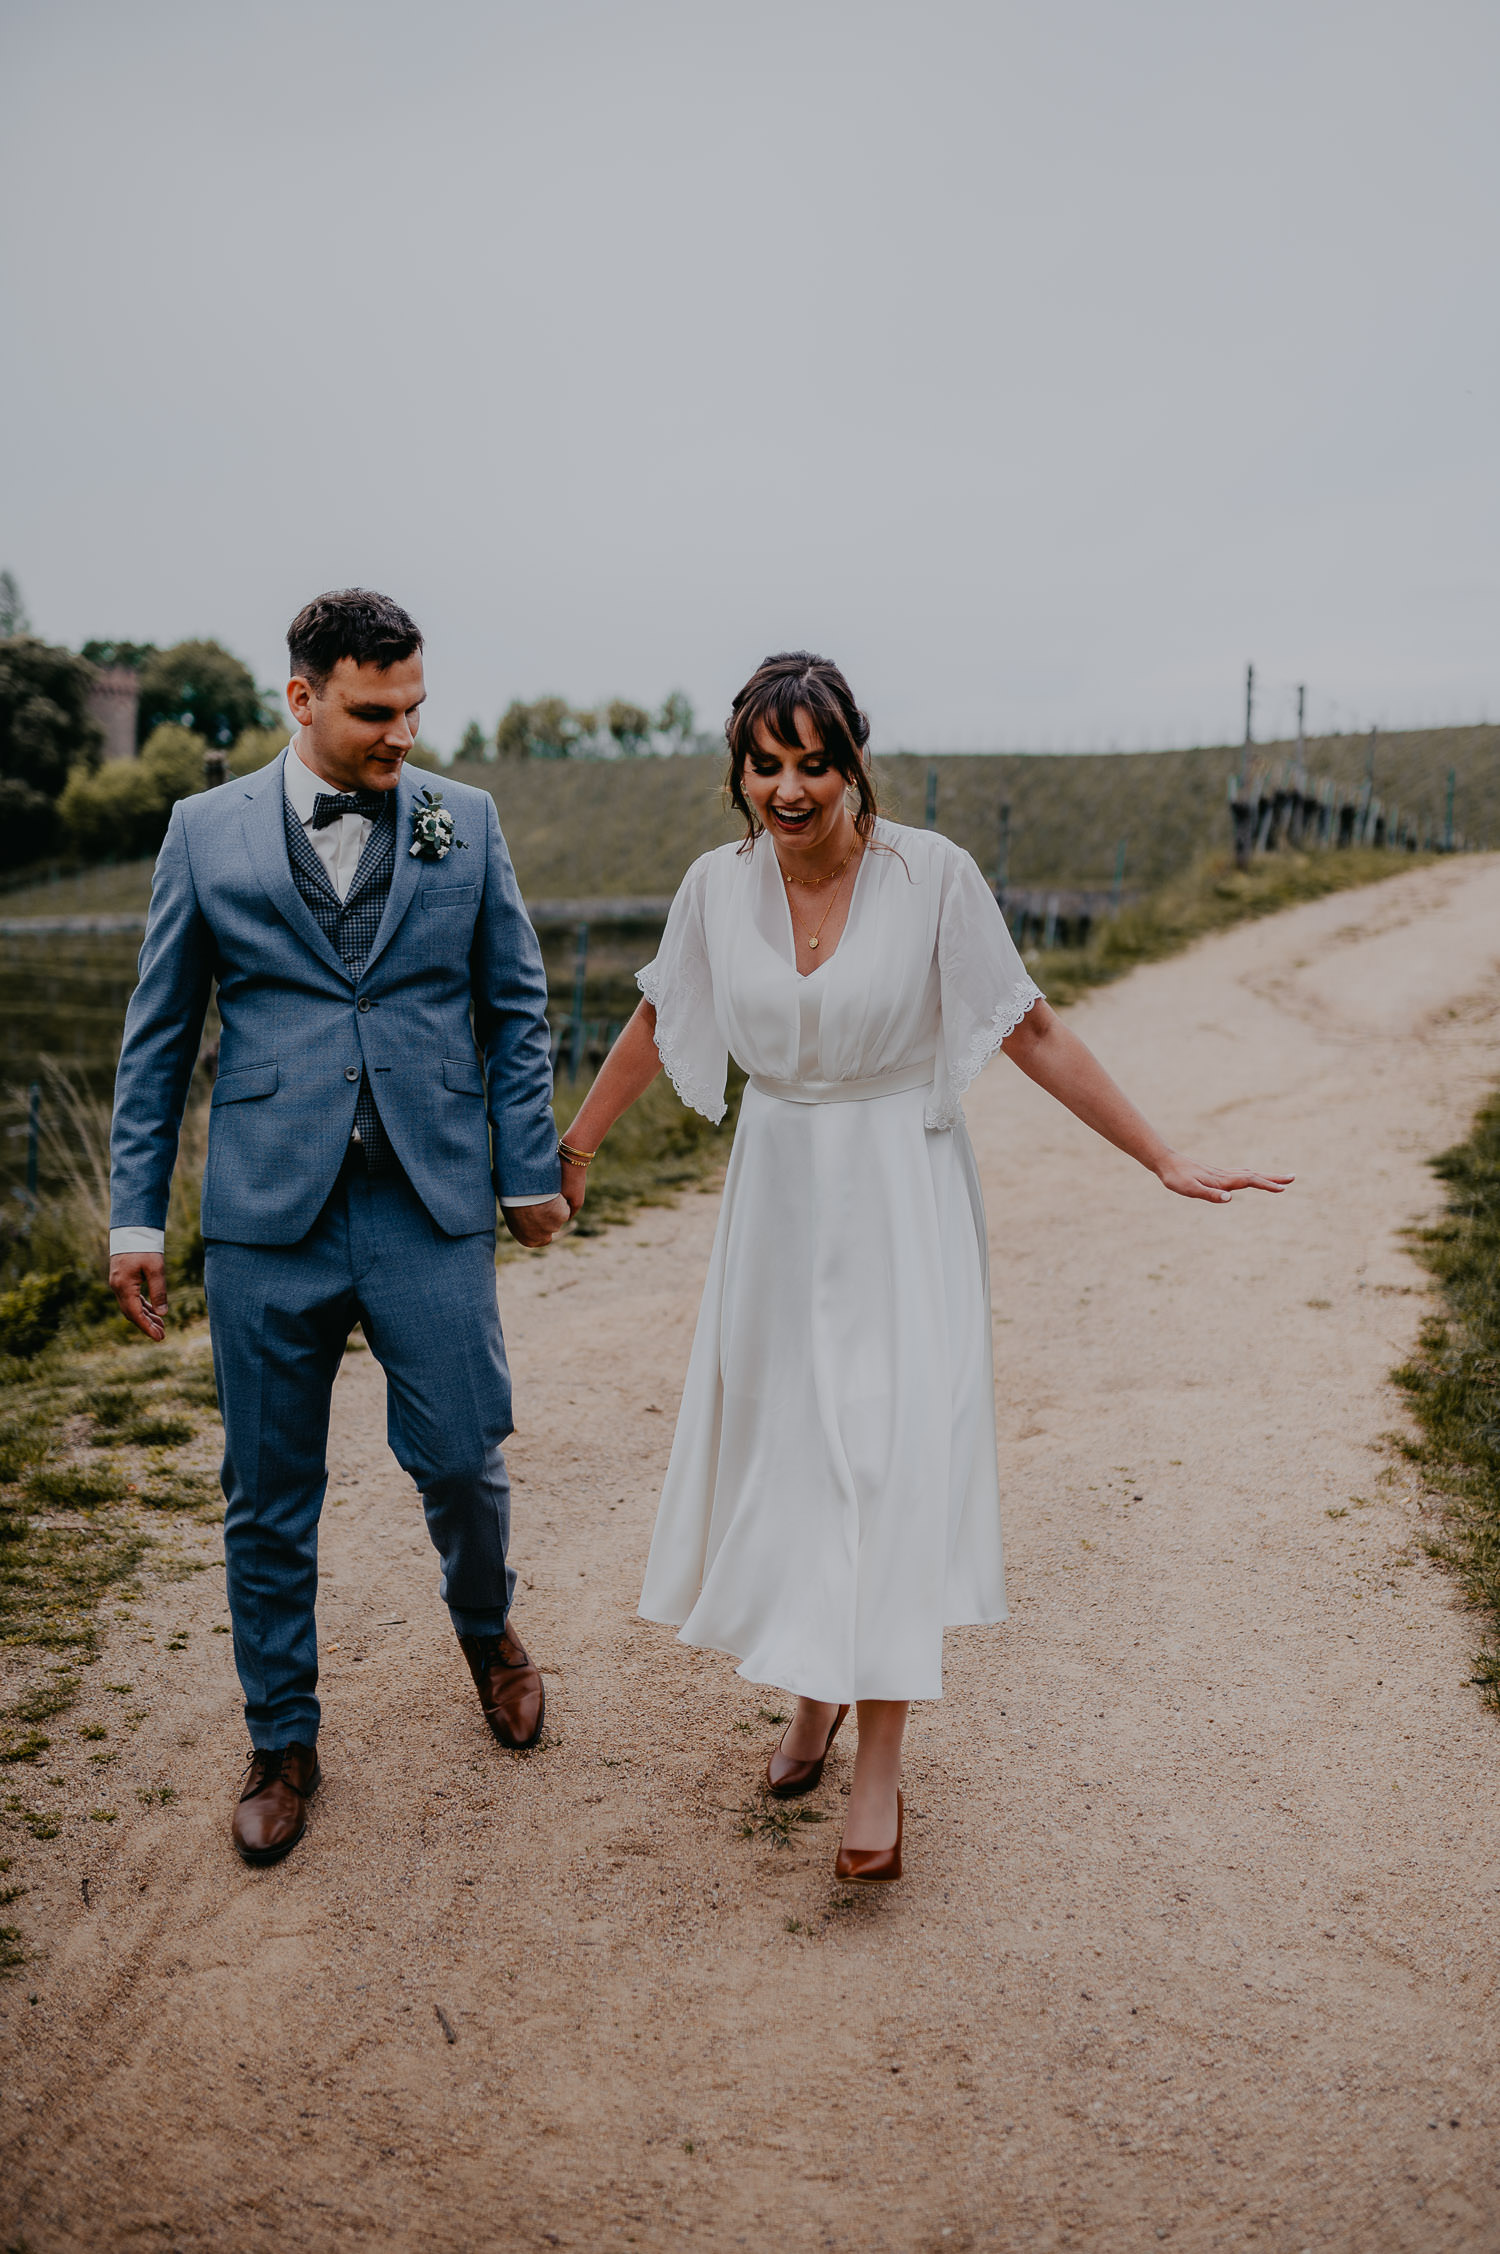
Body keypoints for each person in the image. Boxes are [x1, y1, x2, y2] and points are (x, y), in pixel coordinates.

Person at [557, 651, 1290, 1884]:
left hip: (900, 1190)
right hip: (778, 1197)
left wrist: (1160, 1156)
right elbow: (655, 1020)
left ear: (853, 761)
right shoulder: (713, 887)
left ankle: (880, 1765)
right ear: (739, 769)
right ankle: (811, 1697)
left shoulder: (932, 875)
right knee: (795, 1454)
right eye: (766, 763)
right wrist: (578, 1145)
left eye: (815, 761)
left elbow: (1030, 1026)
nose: (790, 789)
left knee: (886, 1463)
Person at [108, 589, 570, 1867]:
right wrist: (135, 1217)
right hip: (266, 1214)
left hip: (426, 1202)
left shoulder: (461, 820)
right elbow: (156, 1042)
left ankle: (488, 1630)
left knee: (468, 1455)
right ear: (302, 697)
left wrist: (525, 1167)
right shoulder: (203, 834)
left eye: (417, 706)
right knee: (267, 1493)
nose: (403, 735)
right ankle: (282, 1737)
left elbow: (517, 1006)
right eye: (376, 711)